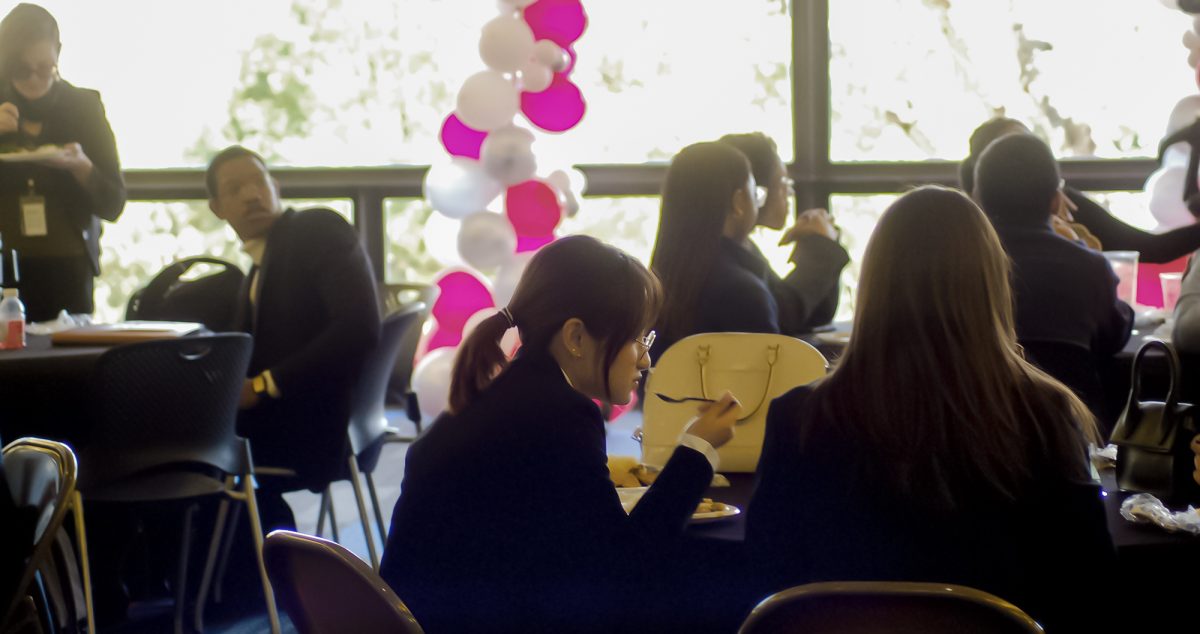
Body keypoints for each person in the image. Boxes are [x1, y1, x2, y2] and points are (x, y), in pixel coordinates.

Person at [745, 186, 1115, 633]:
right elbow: (1091, 591)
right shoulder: (1044, 414)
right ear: (990, 283)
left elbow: (767, 577)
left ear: (875, 285)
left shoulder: (798, 418)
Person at [380, 235, 740, 633]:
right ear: (576, 338)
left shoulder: (503, 397)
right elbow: (625, 569)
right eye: (638, 336)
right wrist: (698, 449)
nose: (646, 357)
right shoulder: (558, 415)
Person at [206, 145, 380, 527]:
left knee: (182, 451)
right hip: (302, 420)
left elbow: (360, 325)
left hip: (312, 426)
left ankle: (239, 575)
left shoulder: (315, 229)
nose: (251, 195)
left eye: (258, 181)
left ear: (276, 185)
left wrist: (264, 385)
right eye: (235, 188)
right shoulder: (258, 267)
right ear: (217, 207)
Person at [0, 3, 125, 321]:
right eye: (21, 69)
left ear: (58, 52)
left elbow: (113, 204)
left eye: (45, 68)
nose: (33, 79)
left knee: (66, 363)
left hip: (68, 265)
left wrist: (81, 166)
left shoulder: (83, 107)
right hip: (4, 266)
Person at [974, 134, 1133, 359]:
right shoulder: (1088, 267)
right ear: (1056, 201)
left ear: (979, 200)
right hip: (1071, 394)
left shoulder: (967, 266)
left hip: (987, 394)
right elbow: (1112, 337)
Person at [961, 117, 1200, 263]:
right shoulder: (967, 233)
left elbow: (1149, 248)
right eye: (1015, 149)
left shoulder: (1067, 206)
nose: (1028, 154)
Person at [717, 132, 849, 334]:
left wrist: (817, 240)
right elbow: (782, 318)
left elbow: (813, 315)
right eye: (783, 183)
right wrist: (822, 247)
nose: (790, 193)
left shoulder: (743, 247)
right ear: (753, 190)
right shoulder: (721, 264)